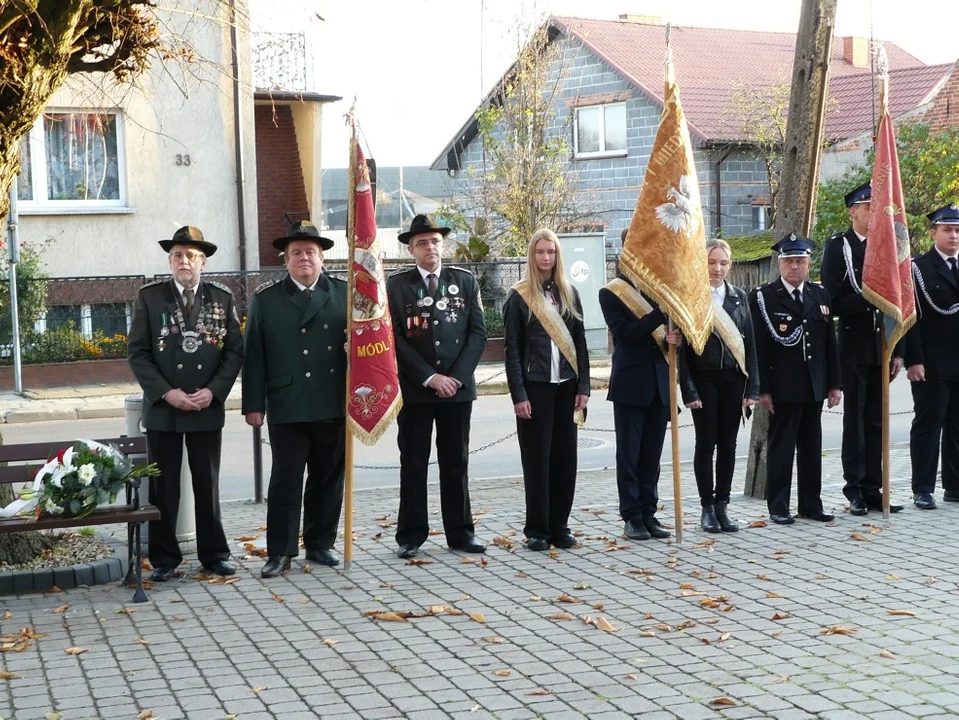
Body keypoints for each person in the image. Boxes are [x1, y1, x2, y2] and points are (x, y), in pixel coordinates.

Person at [128, 226, 243, 581]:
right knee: (165, 487)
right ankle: (164, 558)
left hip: (205, 406)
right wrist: (166, 392)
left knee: (206, 484)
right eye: (178, 255)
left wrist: (214, 392)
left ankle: (214, 555)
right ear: (169, 260)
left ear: (203, 262)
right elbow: (138, 353)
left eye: (191, 255)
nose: (184, 261)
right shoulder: (151, 298)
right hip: (165, 409)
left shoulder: (221, 299)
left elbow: (234, 351)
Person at [242, 221, 348, 577]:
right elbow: (253, 354)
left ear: (322, 258)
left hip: (332, 400)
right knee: (285, 480)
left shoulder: (346, 295)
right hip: (287, 402)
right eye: (296, 253)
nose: (304, 258)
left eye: (311, 252)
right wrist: (253, 403)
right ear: (285, 259)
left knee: (327, 478)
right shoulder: (266, 299)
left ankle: (320, 544)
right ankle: (281, 551)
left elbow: (369, 346)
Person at [387, 214, 488, 559]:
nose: (430, 247)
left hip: (457, 391)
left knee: (456, 462)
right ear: (411, 249)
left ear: (442, 245)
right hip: (417, 390)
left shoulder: (465, 281)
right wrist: (430, 377)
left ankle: (460, 533)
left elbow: (478, 334)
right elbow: (394, 338)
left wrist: (455, 378)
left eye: (435, 241)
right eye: (422, 243)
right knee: (413, 462)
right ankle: (411, 535)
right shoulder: (397, 286)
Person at [820, 181, 904, 516]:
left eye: (876, 207)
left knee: (877, 421)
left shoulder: (887, 247)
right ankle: (854, 488)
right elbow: (832, 299)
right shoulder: (838, 247)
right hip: (854, 345)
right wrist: (869, 301)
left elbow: (899, 302)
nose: (873, 213)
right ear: (852, 211)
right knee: (854, 421)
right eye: (868, 207)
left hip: (881, 344)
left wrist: (899, 350)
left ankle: (874, 488)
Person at [503, 229, 590, 551]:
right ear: (532, 255)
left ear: (557, 256)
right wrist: (519, 395)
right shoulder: (519, 296)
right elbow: (512, 350)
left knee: (566, 459)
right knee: (537, 460)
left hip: (567, 387)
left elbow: (580, 345)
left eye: (551, 252)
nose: (545, 258)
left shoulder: (570, 293)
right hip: (535, 387)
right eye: (540, 252)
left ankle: (561, 527)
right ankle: (537, 530)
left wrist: (584, 387)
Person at [749, 234, 841, 525]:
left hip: (814, 384)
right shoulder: (763, 298)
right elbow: (758, 348)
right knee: (782, 447)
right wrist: (762, 388)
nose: (795, 267)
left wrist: (835, 383)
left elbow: (829, 344)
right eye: (789, 261)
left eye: (800, 261)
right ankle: (778, 505)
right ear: (780, 264)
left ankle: (811, 504)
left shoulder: (819, 295)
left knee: (812, 448)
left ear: (809, 263)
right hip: (782, 386)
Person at [599, 247, 682, 541]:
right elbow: (626, 335)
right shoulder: (611, 292)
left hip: (660, 384)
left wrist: (676, 337)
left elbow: (668, 337)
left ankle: (649, 512)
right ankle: (631, 516)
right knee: (630, 456)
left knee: (652, 457)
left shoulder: (659, 291)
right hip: (631, 385)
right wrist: (659, 315)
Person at [679, 239, 759, 533]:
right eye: (712, 262)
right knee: (706, 444)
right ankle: (706, 508)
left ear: (730, 265)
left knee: (728, 445)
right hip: (704, 379)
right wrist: (688, 389)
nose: (717, 268)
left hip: (733, 380)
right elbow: (683, 351)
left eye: (723, 263)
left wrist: (752, 388)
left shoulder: (739, 297)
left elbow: (750, 345)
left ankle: (723, 505)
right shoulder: (693, 298)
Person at [905, 203, 959, 510]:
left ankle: (954, 486)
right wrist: (914, 359)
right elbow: (911, 319)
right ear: (933, 233)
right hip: (932, 362)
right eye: (947, 230)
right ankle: (922, 488)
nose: (953, 236)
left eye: (957, 230)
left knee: (957, 426)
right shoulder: (918, 268)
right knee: (929, 424)